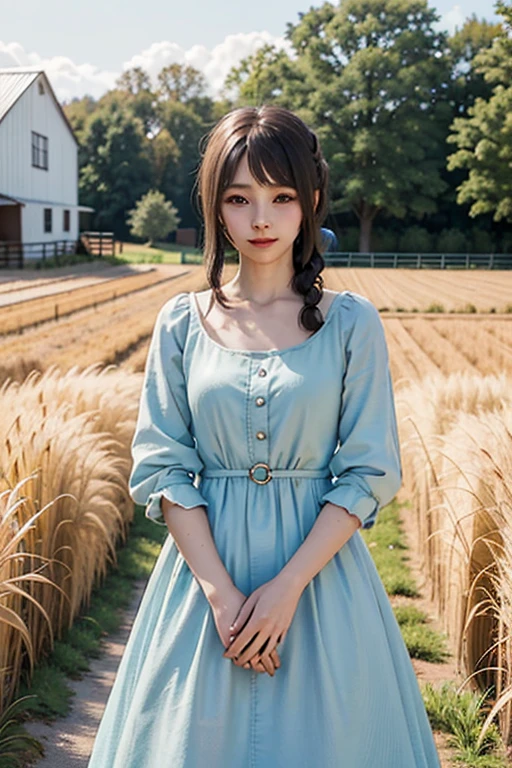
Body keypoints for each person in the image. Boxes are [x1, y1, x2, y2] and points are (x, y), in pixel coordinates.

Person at [87, 105, 440, 767]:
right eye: (239, 198)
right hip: (202, 583)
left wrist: (285, 591)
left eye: (281, 197)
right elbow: (162, 467)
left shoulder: (351, 323)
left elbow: (369, 471)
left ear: (309, 203)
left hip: (321, 582)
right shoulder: (181, 323)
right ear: (215, 208)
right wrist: (222, 598)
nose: (260, 219)